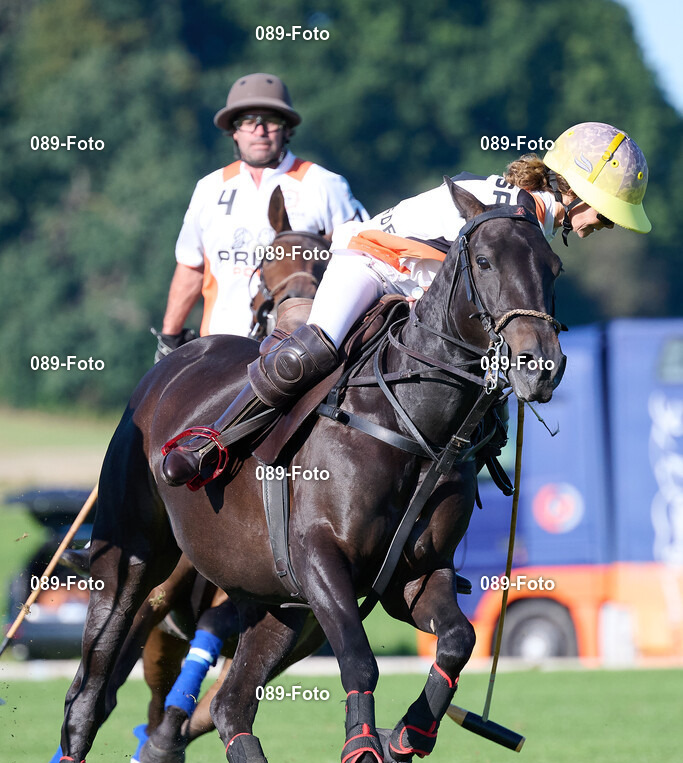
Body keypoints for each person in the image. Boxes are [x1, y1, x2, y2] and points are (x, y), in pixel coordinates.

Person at [162, 121, 651, 491]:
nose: (606, 225)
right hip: (373, 265)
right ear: (575, 188)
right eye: (606, 214)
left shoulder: (534, 221)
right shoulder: (512, 211)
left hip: (422, 294)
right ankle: (210, 443)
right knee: (310, 352)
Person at [155, 72, 367, 360]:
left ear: (286, 129)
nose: (260, 130)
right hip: (218, 348)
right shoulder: (209, 188)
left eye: (271, 121)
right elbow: (191, 267)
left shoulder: (324, 184)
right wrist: (170, 335)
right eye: (248, 121)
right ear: (234, 131)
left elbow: (364, 260)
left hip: (298, 352)